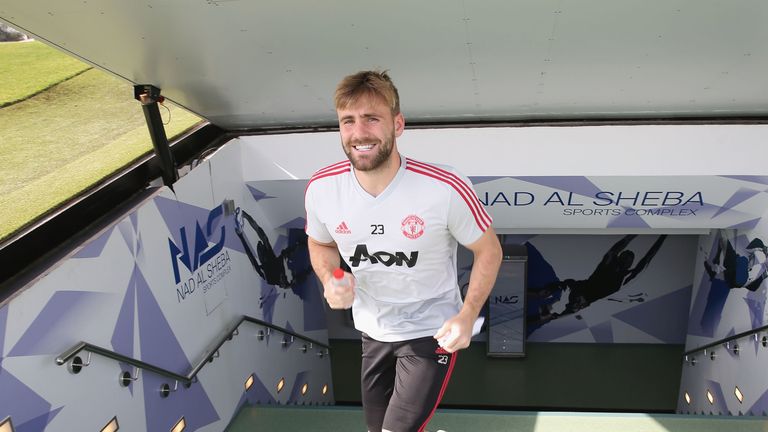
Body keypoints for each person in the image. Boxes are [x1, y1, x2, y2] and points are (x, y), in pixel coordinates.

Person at [304, 70, 502, 432]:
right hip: (372, 329)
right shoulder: (322, 189)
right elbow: (320, 243)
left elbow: (488, 250)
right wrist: (332, 277)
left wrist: (467, 313)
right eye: (348, 121)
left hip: (431, 329)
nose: (359, 132)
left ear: (398, 124)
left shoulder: (444, 187)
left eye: (371, 119)